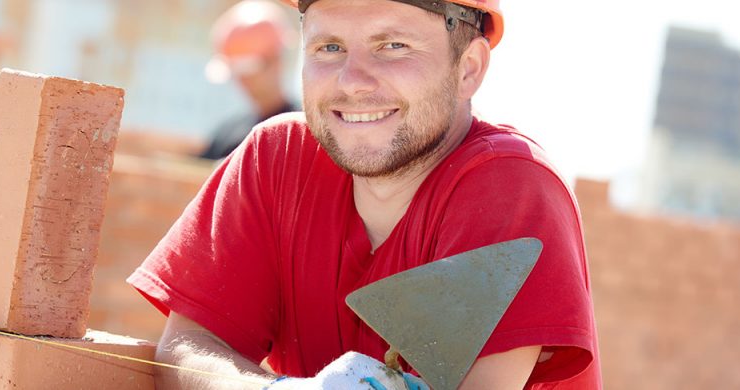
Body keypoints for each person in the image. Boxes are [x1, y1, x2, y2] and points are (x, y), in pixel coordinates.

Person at [128, 0, 601, 388]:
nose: (352, 80)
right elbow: (187, 350)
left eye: (393, 46)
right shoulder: (275, 159)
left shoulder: (510, 186)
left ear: (468, 68)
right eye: (329, 47)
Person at [199, 0, 299, 160]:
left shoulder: (303, 133)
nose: (242, 80)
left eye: (248, 69)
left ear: (276, 61)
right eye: (237, 71)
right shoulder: (227, 134)